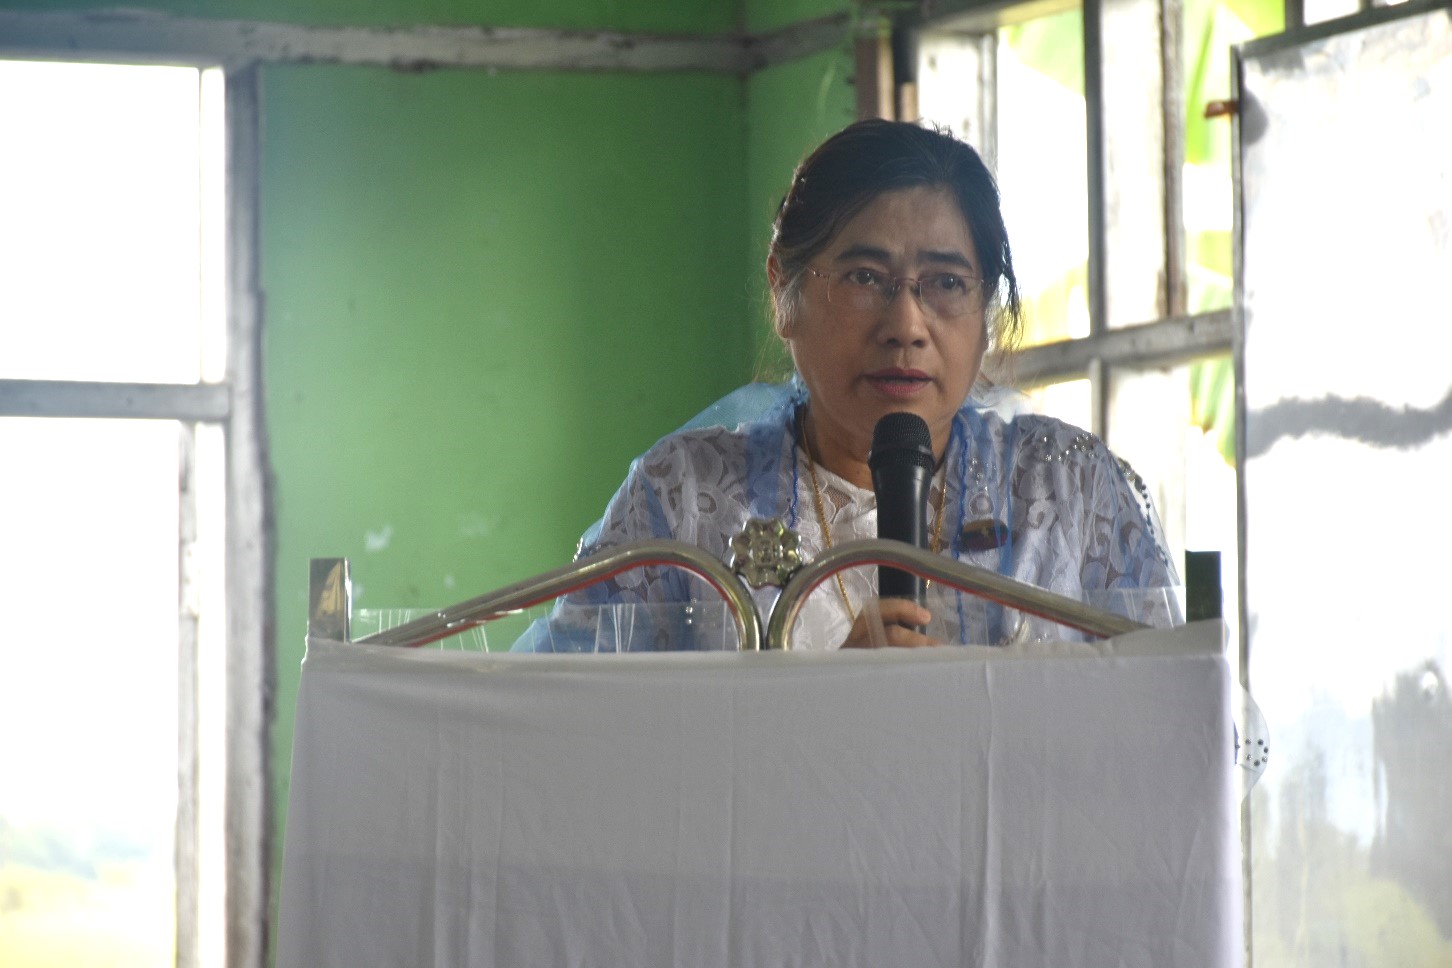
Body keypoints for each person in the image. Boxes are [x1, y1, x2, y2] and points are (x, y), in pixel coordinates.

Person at [521, 119, 1176, 652]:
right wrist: (830, 706)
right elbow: (571, 740)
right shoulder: (684, 503)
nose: (906, 326)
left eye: (946, 284)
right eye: (865, 278)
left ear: (986, 312)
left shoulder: (1069, 491)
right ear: (784, 291)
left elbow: (1192, 736)